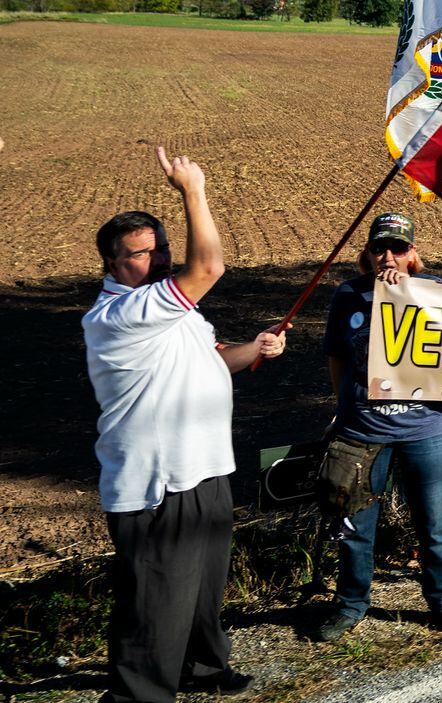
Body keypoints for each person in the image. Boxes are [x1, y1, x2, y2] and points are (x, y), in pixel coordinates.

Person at [85, 148, 288, 703]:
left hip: (207, 468)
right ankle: (138, 695)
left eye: (162, 250)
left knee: (201, 590)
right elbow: (210, 268)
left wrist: (257, 348)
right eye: (141, 255)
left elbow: (216, 359)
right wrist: (193, 190)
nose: (156, 261)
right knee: (155, 596)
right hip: (157, 482)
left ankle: (201, 668)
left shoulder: (176, 311)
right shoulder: (118, 315)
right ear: (111, 264)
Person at [316, 213, 442, 642]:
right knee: (356, 525)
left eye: (398, 249)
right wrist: (344, 407)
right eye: (380, 248)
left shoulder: (436, 291)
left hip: (427, 429)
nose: (389, 257)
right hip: (363, 431)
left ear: (413, 253)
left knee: (435, 521)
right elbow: (337, 357)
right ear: (366, 253)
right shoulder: (349, 295)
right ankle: (350, 604)